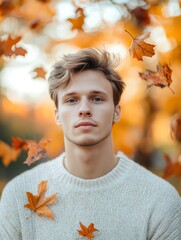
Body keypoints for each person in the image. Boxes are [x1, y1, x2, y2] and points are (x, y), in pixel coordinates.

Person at [0, 48, 181, 240]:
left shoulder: (160, 199)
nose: (84, 109)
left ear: (116, 112)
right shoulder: (18, 194)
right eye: (71, 100)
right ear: (57, 115)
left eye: (97, 98)